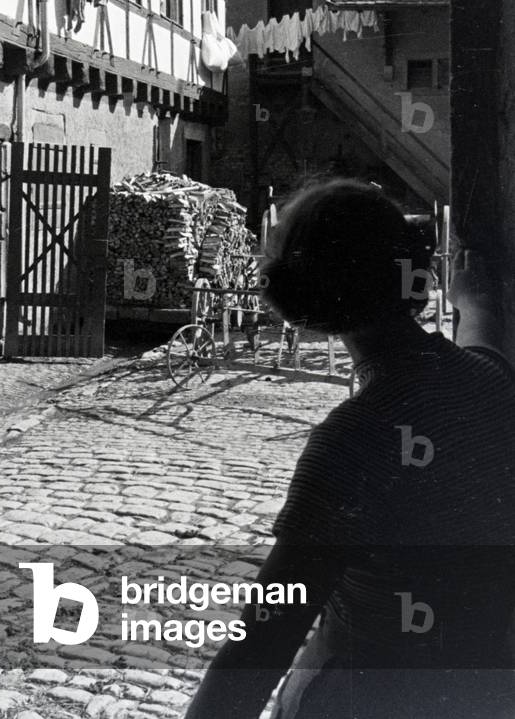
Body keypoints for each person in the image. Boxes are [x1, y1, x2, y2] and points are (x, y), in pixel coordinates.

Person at [184, 179, 515, 719]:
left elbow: (263, 642)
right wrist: (474, 297)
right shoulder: (492, 378)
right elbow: (482, 339)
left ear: (300, 299)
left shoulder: (353, 440)